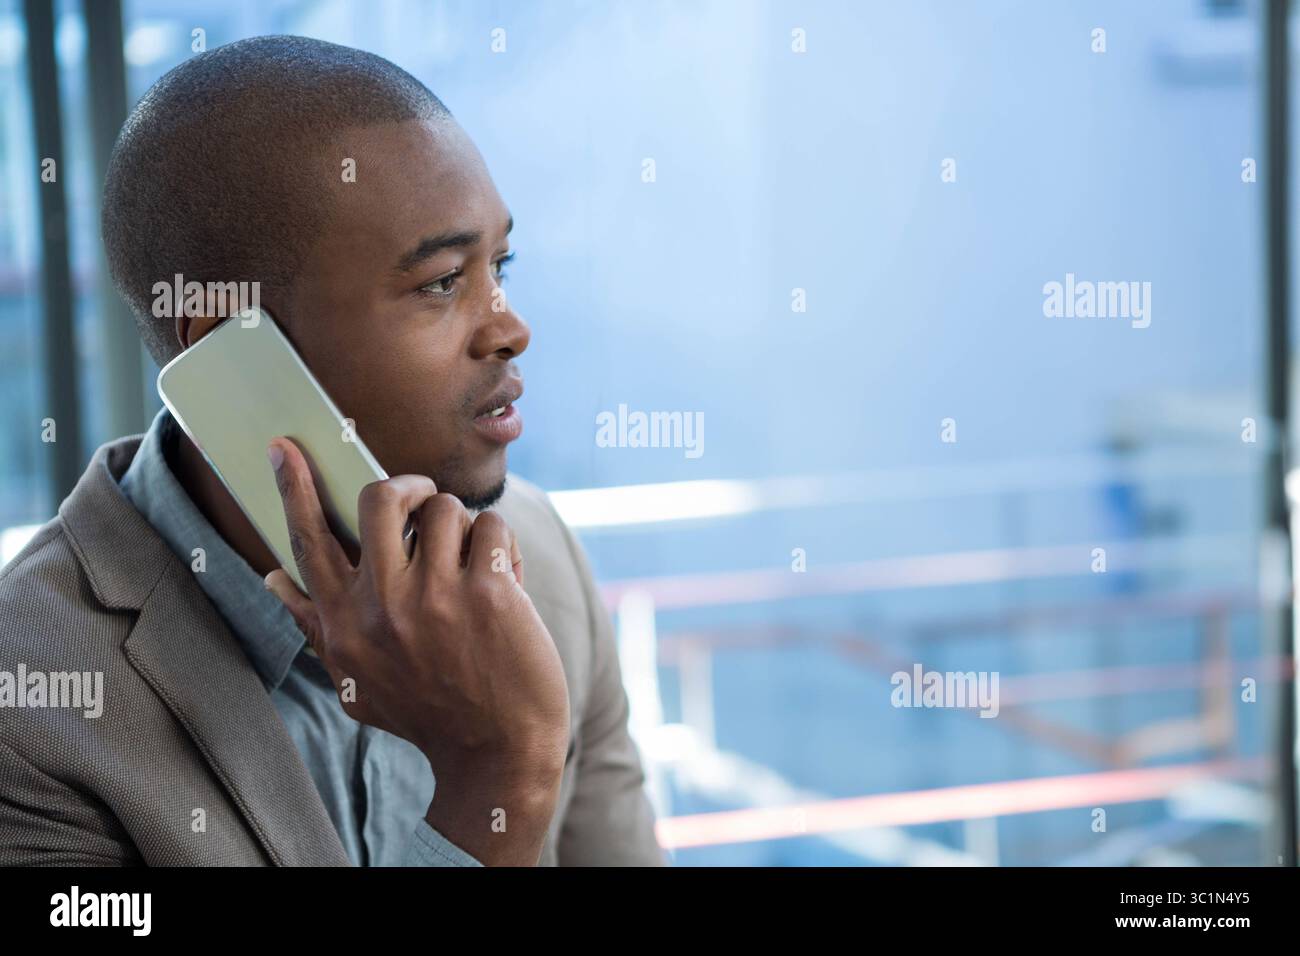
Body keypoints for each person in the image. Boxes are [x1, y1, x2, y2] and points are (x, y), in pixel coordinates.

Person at [0, 35, 664, 867]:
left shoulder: (540, 562)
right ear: (233, 353)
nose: (508, 325)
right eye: (441, 282)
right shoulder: (30, 710)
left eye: (501, 263)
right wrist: (497, 780)